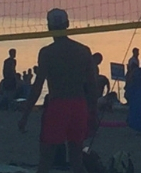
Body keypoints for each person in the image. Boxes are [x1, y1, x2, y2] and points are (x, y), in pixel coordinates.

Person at [18, 9, 96, 173]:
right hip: (79, 105)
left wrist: (25, 115)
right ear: (67, 25)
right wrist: (93, 112)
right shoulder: (83, 50)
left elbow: (37, 86)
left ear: (49, 27)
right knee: (76, 159)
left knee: (46, 159)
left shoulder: (47, 53)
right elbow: (92, 85)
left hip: (58, 105)